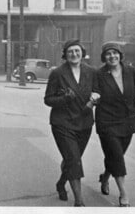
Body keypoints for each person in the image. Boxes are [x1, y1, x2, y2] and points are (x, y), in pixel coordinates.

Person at [44, 39, 100, 207]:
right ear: (65, 55)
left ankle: (61, 183)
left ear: (82, 53)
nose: (74, 54)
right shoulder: (57, 73)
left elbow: (97, 91)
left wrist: (95, 99)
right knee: (74, 159)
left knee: (72, 160)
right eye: (70, 52)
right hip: (63, 124)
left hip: (84, 123)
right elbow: (48, 99)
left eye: (77, 51)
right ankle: (79, 202)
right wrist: (65, 98)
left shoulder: (92, 72)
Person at [95, 41, 135, 207]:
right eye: (108, 54)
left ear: (120, 55)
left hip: (127, 121)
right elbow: (95, 94)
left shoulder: (130, 71)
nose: (112, 56)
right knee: (116, 156)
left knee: (116, 156)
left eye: (115, 53)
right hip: (107, 122)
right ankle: (123, 195)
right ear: (104, 57)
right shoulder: (99, 75)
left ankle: (105, 177)